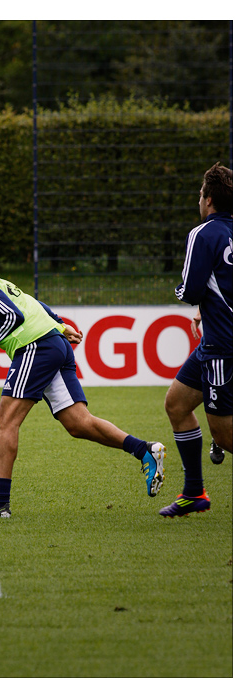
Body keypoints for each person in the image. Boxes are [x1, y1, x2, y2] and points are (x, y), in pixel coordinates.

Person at [0, 249, 166, 520]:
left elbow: (12, 315)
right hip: (51, 343)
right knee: (78, 423)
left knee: (5, 422)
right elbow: (27, 300)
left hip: (35, 346)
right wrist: (60, 325)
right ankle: (144, 450)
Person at [159, 163, 232, 518]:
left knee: (225, 434)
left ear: (208, 199)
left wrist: (196, 299)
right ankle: (194, 493)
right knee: (176, 404)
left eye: (200, 195)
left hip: (223, 345)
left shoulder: (203, 233)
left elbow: (189, 291)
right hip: (215, 340)